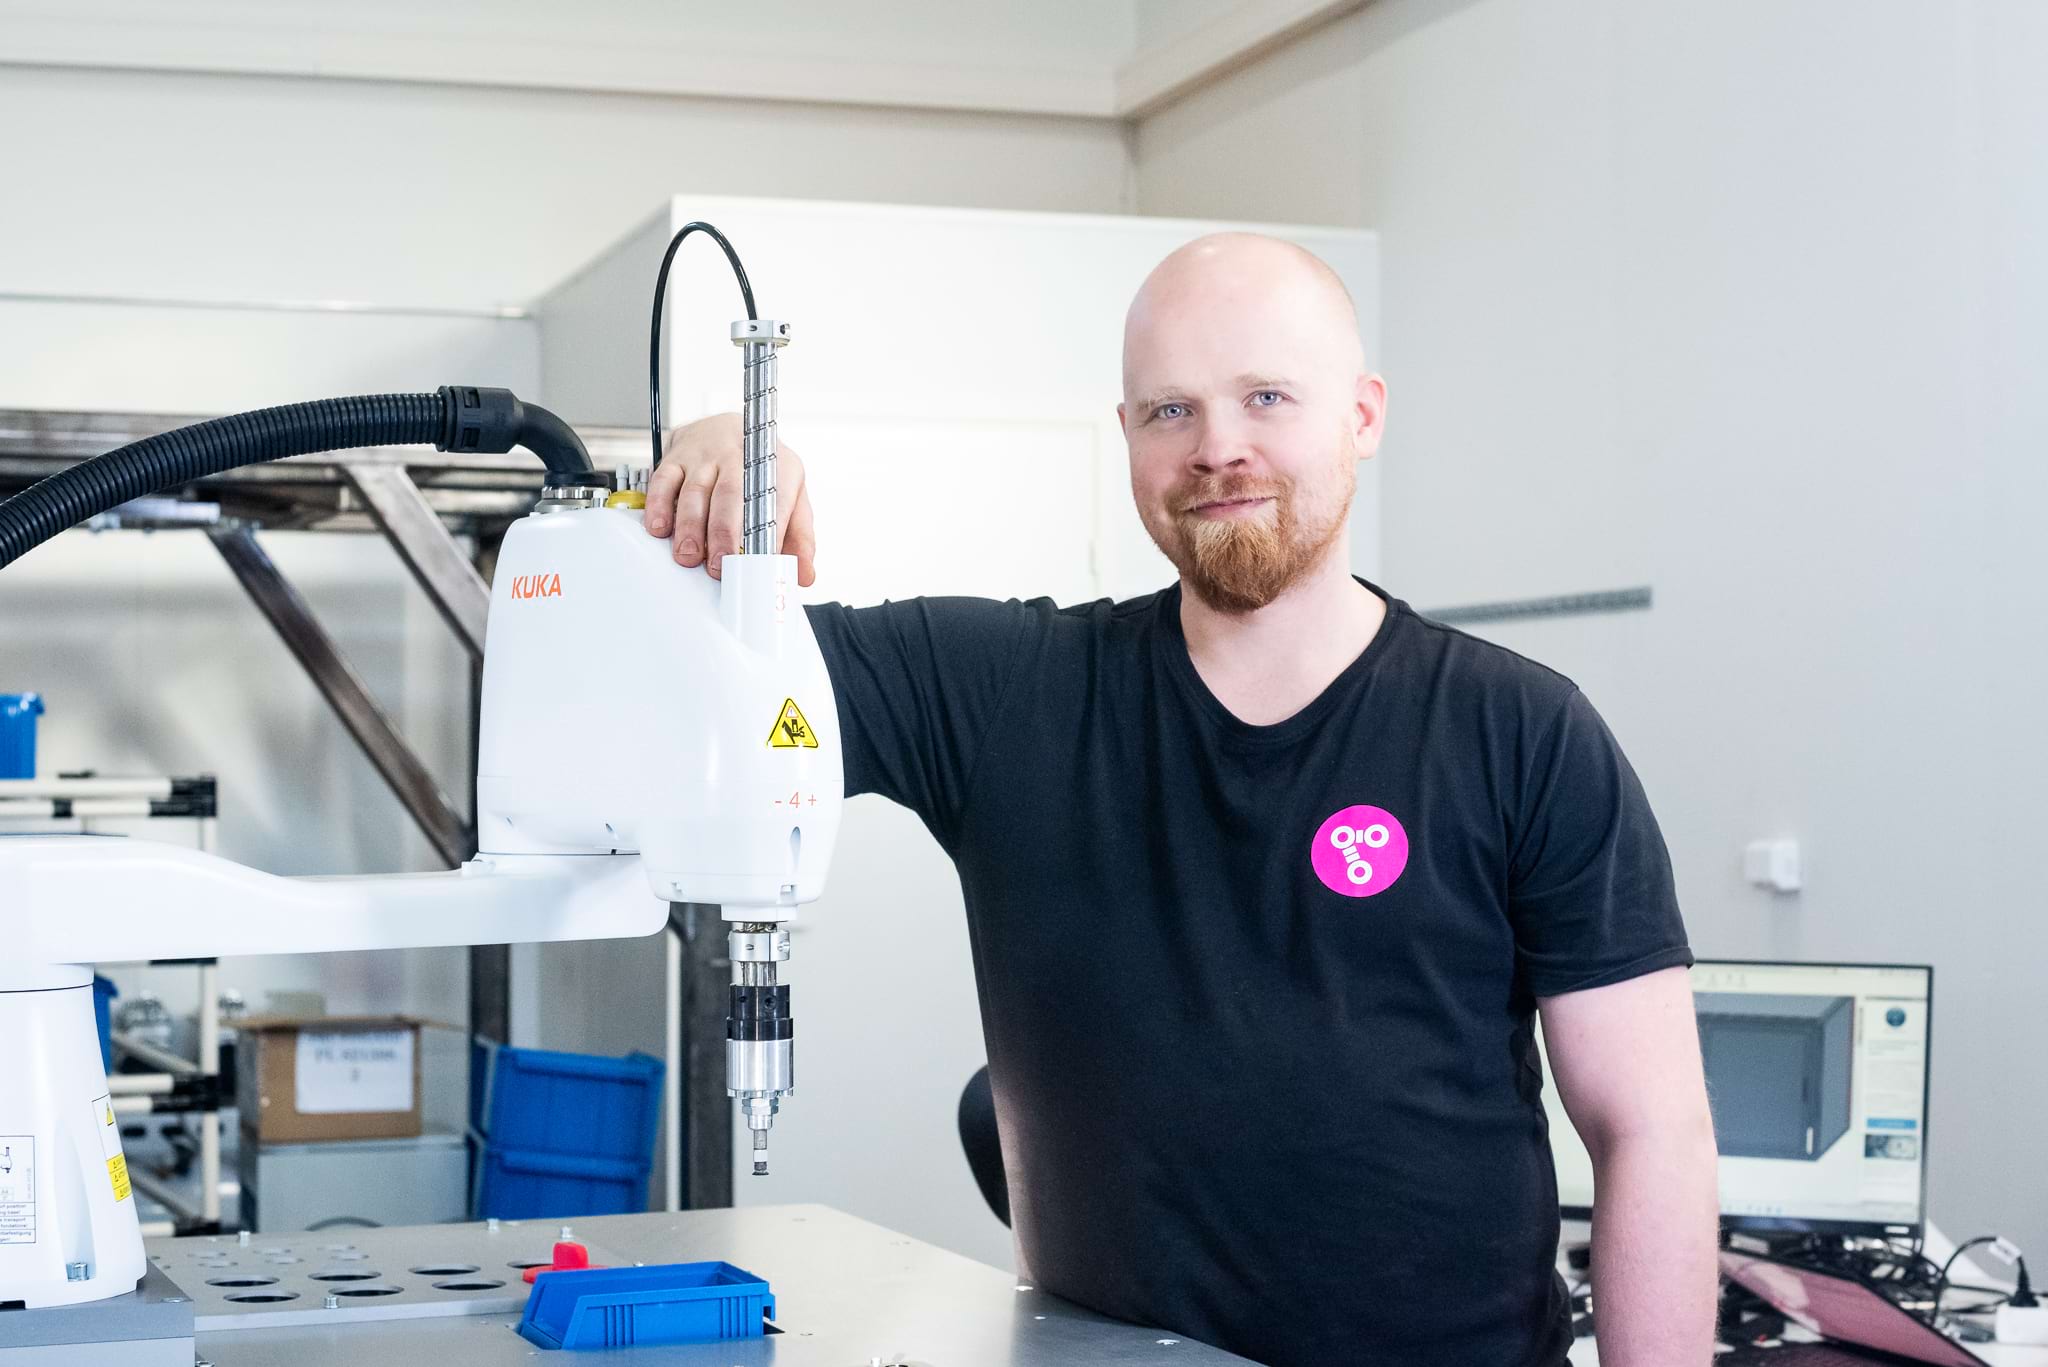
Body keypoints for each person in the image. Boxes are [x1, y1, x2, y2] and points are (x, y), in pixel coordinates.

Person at [645, 233, 1719, 1366]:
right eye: (1169, 411)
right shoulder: (1001, 693)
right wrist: (704, 473)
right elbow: (693, 682)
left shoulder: (1519, 732)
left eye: (1265, 396)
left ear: (1360, 414)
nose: (1218, 448)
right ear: (1124, 437)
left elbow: (1646, 1126)